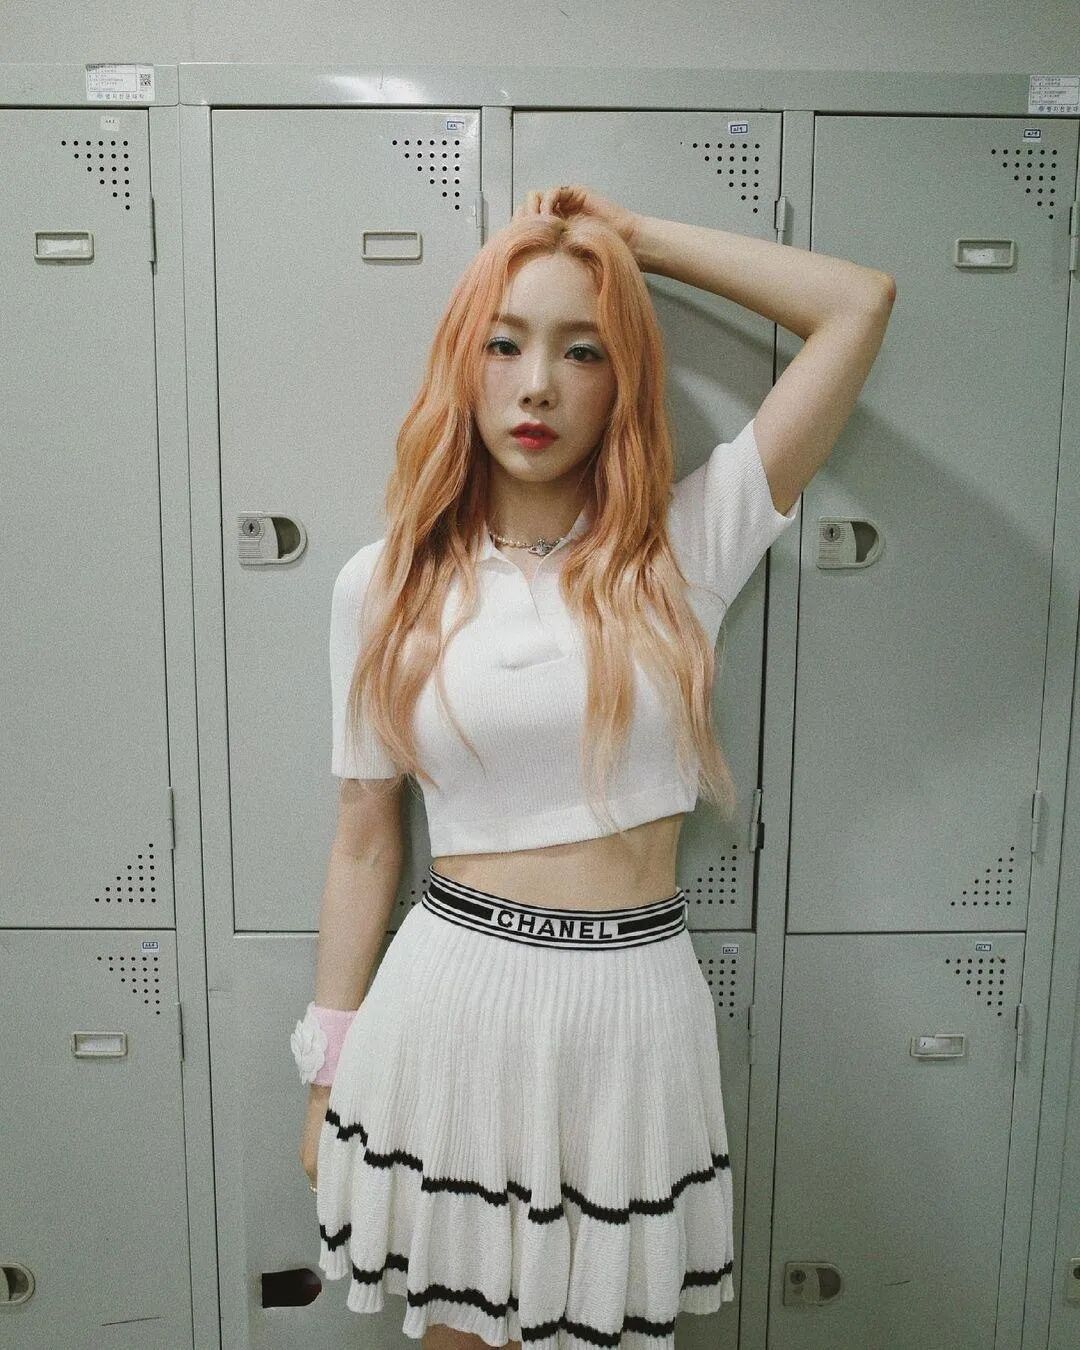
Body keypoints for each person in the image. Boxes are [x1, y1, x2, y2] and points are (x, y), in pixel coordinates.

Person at [293, 184, 895, 1349]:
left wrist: (632, 242)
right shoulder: (383, 582)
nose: (537, 386)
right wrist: (325, 1074)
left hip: (631, 1014)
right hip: (453, 1001)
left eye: (583, 351)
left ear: (623, 382)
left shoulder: (686, 548)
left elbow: (858, 305)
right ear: (462, 366)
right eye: (504, 344)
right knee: (461, 1338)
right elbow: (364, 838)